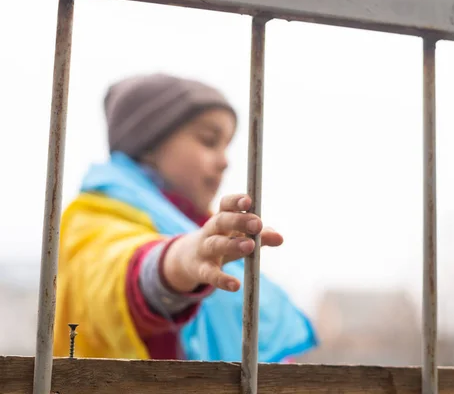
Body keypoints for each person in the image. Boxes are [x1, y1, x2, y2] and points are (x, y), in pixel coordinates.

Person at [53, 73, 317, 361]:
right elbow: (110, 277)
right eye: (209, 141)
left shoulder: (204, 230)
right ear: (150, 145)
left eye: (227, 145)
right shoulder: (94, 213)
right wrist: (179, 263)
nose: (225, 161)